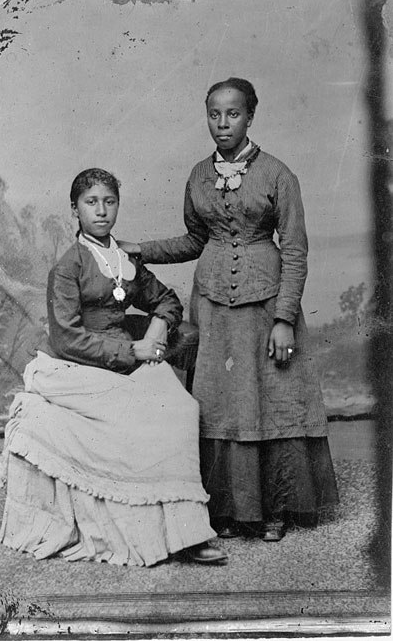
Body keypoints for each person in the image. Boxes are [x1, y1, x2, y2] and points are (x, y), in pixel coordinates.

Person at [119, 78, 339, 542]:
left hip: (266, 306)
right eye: (214, 115)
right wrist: (142, 248)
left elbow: (295, 250)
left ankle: (275, 510)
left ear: (250, 116)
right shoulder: (199, 174)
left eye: (233, 114)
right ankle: (228, 511)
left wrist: (284, 319)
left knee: (271, 399)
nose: (223, 123)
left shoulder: (279, 174)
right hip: (214, 306)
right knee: (220, 403)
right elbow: (195, 240)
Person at [0, 167, 227, 566]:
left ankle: (186, 531)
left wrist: (155, 331)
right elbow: (67, 338)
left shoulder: (125, 260)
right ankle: (153, 533)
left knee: (182, 408)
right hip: (74, 366)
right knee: (134, 416)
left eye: (109, 201)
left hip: (128, 357)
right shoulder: (68, 266)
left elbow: (167, 300)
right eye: (91, 202)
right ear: (75, 209)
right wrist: (131, 353)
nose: (101, 211)